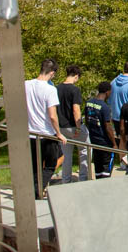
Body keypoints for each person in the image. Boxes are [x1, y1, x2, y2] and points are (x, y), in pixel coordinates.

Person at [25, 60, 66, 198]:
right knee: (50, 165)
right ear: (52, 73)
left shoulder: (26, 85)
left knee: (35, 166)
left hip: (31, 132)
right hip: (47, 133)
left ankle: (33, 189)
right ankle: (37, 190)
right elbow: (53, 115)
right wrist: (59, 133)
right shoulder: (50, 89)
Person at [57, 64, 88, 183]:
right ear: (76, 76)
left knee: (67, 156)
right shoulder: (75, 90)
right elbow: (76, 109)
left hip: (61, 127)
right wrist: (79, 127)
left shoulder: (57, 88)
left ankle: (66, 180)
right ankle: (83, 177)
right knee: (85, 150)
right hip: (73, 126)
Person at [83, 81, 116, 178]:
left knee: (98, 167)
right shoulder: (105, 107)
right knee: (106, 169)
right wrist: (114, 143)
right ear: (107, 92)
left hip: (94, 139)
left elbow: (87, 120)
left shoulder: (88, 103)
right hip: (105, 142)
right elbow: (107, 126)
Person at [106, 60, 128, 146]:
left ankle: (122, 159)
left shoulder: (113, 82)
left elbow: (109, 101)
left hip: (116, 117)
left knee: (122, 141)